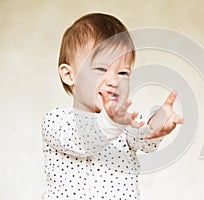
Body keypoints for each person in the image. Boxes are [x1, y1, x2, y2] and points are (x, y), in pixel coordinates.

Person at [42, 13, 183, 200]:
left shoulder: (124, 121)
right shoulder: (57, 120)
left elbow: (144, 138)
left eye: (123, 72)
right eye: (101, 69)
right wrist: (110, 122)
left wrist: (157, 125)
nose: (114, 81)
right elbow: (83, 139)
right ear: (69, 75)